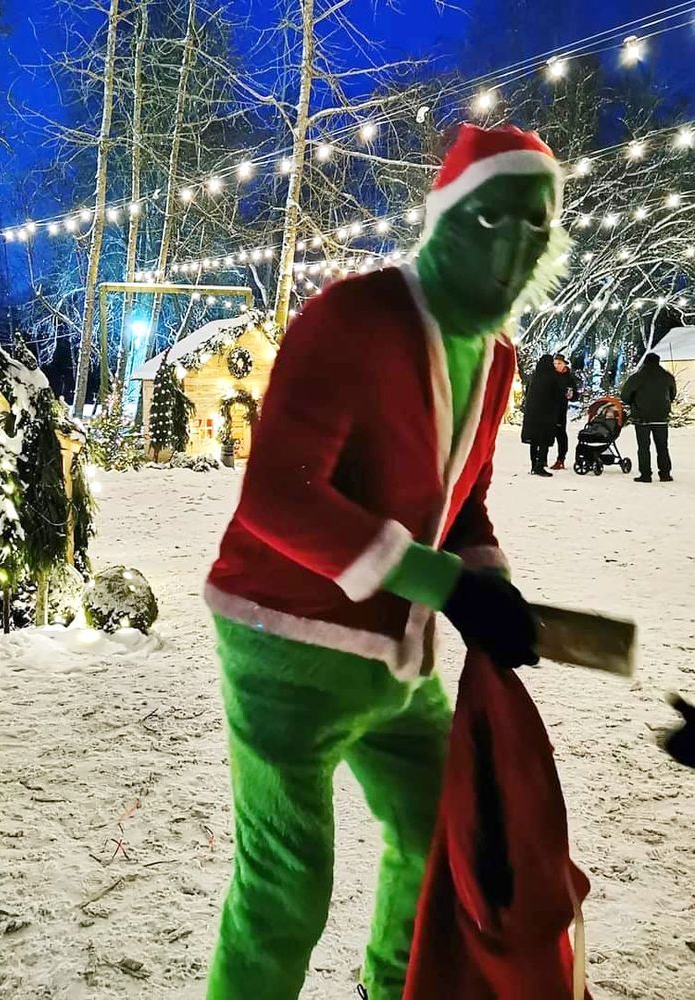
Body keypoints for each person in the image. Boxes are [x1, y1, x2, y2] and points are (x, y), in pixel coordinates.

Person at [203, 123, 560, 1000]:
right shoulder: (356, 318)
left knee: (441, 835)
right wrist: (444, 584)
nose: (514, 245)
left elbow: (462, 497)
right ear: (447, 218)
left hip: (396, 659)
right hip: (283, 645)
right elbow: (278, 496)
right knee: (286, 884)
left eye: (536, 223)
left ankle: (393, 989)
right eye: (492, 218)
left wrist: (489, 584)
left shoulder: (498, 356)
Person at [621, 352, 677, 483]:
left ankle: (645, 475)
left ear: (645, 362)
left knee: (643, 447)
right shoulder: (667, 377)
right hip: (661, 418)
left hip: (642, 418)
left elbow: (625, 396)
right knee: (662, 447)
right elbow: (672, 394)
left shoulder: (637, 377)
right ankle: (665, 474)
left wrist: (634, 403)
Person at [520, 353, 564, 476]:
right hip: (546, 414)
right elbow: (557, 395)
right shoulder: (553, 377)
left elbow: (527, 393)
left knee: (534, 440)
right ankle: (540, 464)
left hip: (532, 414)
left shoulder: (534, 376)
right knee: (544, 439)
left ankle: (533, 464)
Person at [551, 353, 577, 470]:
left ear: (564, 364)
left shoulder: (568, 378)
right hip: (549, 409)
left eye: (559, 363)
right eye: (555, 363)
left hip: (561, 410)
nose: (557, 366)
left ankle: (561, 459)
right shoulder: (550, 375)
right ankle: (542, 459)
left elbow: (575, 395)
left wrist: (571, 395)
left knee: (560, 434)